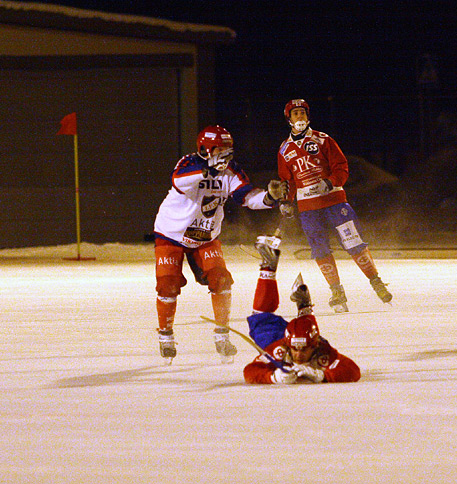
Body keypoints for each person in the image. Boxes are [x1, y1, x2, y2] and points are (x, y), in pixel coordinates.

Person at [153, 125, 287, 364]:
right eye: (220, 149)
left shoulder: (231, 171)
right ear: (205, 148)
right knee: (168, 284)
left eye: (228, 149)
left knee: (221, 279)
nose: (226, 154)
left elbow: (245, 197)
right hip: (171, 233)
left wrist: (269, 197)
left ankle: (222, 334)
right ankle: (166, 335)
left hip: (205, 237)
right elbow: (179, 181)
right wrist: (208, 168)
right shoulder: (189, 163)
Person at [277, 98, 392, 313]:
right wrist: (286, 201)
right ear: (289, 119)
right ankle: (337, 291)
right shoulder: (284, 149)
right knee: (319, 249)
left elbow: (341, 166)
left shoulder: (323, 139)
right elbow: (288, 181)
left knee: (353, 242)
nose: (300, 117)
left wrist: (330, 181)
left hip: (334, 202)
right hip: (308, 208)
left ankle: (376, 281)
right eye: (295, 114)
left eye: (302, 113)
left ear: (308, 116)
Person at [243, 234, 361, 384]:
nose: (298, 355)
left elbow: (353, 371)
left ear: (315, 346)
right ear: (288, 346)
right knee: (260, 318)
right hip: (283, 338)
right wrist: (273, 377)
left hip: (305, 337)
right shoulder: (278, 350)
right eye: (295, 349)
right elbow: (251, 371)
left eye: (304, 350)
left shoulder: (322, 352)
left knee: (261, 317)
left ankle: (270, 268)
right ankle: (303, 306)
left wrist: (322, 375)